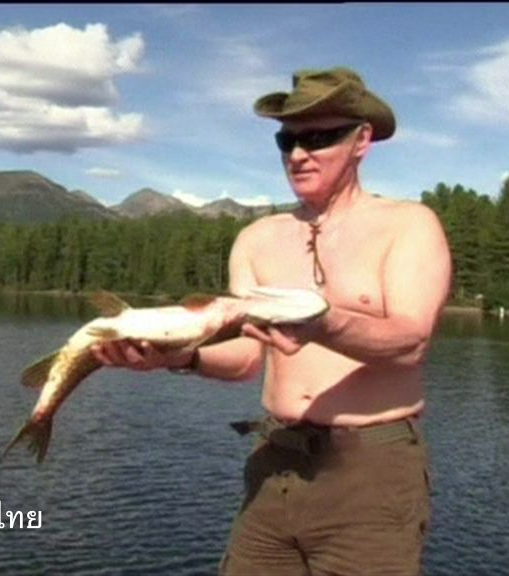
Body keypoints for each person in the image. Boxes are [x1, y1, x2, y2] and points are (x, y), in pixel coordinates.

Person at [92, 66, 452, 576]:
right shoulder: (257, 239)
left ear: (362, 140)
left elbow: (410, 342)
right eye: (287, 140)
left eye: (319, 138)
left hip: (370, 470)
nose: (298, 154)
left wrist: (320, 323)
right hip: (273, 462)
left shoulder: (408, 225)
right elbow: (245, 358)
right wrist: (181, 357)